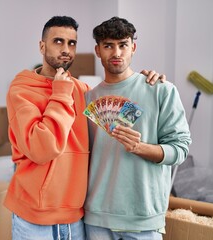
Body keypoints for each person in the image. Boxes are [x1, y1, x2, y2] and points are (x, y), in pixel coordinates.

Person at [4, 16, 165, 240]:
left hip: (77, 219)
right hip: (35, 219)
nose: (66, 49)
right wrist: (60, 92)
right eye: (58, 41)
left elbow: (115, 106)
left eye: (72, 43)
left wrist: (145, 80)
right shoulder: (21, 91)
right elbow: (42, 149)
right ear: (42, 46)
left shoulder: (84, 92)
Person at [84, 16, 192, 240]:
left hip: (144, 218)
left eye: (123, 45)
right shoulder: (87, 99)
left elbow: (180, 149)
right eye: (108, 46)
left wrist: (140, 147)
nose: (116, 53)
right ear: (97, 50)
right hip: (96, 217)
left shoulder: (160, 90)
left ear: (133, 47)